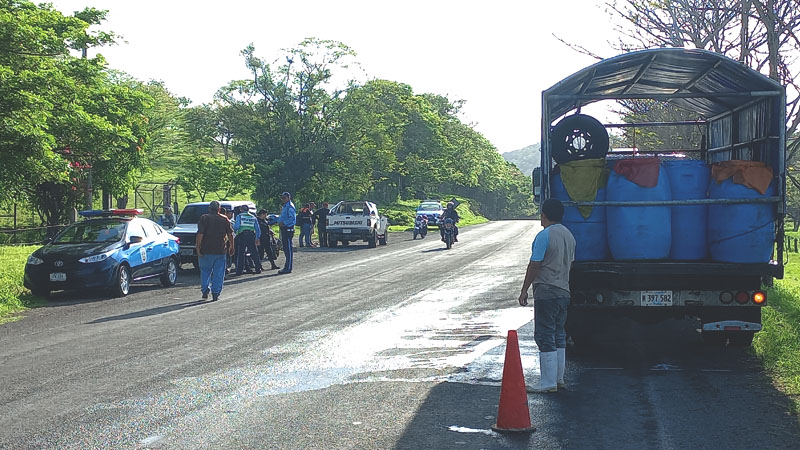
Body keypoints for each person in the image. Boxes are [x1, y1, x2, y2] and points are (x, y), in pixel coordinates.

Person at [518, 199, 575, 393]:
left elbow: (535, 264)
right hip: (563, 290)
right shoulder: (569, 235)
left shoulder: (544, 235)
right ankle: (558, 379)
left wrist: (524, 289)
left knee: (544, 334)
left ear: (544, 215)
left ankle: (547, 382)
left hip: (547, 290)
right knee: (559, 333)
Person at [196, 201, 235, 301]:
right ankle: (215, 292)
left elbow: (200, 234)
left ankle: (205, 289)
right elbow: (230, 234)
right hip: (220, 250)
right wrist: (231, 246)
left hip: (206, 249)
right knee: (218, 272)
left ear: (209, 208)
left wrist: (198, 247)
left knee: (205, 271)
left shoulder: (204, 218)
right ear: (219, 209)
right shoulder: (224, 219)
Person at [233, 205, 262, 275]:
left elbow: (236, 226)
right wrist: (257, 238)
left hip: (242, 235)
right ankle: (258, 268)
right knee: (254, 252)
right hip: (251, 235)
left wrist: (234, 231)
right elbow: (258, 229)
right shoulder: (253, 217)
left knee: (241, 253)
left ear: (241, 210)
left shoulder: (239, 216)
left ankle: (239, 271)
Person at [277, 192, 296, 274]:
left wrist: (284, 223)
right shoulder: (285, 206)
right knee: (286, 249)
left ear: (289, 198)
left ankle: (288, 268)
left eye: (284, 198)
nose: (283, 199)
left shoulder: (290, 206)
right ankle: (287, 266)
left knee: (288, 249)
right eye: (282, 198)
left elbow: (292, 219)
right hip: (284, 229)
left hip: (288, 229)